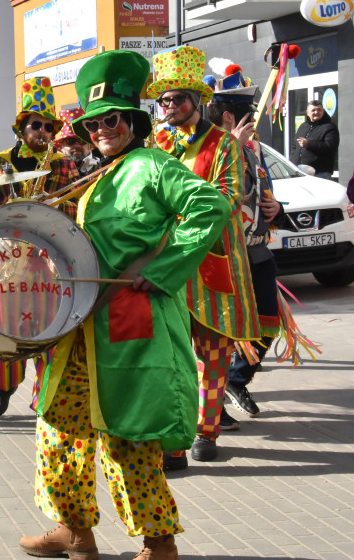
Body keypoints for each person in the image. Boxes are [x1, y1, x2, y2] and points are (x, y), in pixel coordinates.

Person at [18, 50, 230, 560]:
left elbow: (211, 206)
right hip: (81, 329)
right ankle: (74, 532)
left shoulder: (153, 165)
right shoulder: (102, 173)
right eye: (92, 123)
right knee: (61, 428)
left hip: (128, 323)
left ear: (133, 118)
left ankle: (159, 545)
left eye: (110, 119)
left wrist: (159, 271)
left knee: (127, 439)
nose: (100, 130)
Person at [150, 45, 260, 466]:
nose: (171, 106)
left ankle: (206, 431)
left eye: (178, 98)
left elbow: (230, 198)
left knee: (212, 353)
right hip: (167, 267)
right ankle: (175, 436)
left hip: (210, 264)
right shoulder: (156, 145)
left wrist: (182, 216)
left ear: (198, 102)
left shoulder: (224, 146)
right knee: (172, 356)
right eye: (165, 100)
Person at [0, 77, 79, 417]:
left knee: (48, 326)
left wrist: (47, 210)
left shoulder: (63, 164)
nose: (43, 131)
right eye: (36, 125)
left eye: (49, 127)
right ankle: (5, 386)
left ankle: (44, 392)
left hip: (45, 260)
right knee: (4, 326)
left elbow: (73, 210)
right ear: (22, 128)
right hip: (4, 260)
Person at [206, 86, 286, 427]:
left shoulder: (253, 150)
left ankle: (236, 381)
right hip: (225, 257)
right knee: (220, 334)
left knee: (268, 324)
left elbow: (262, 193)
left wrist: (277, 209)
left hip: (257, 253)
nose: (254, 120)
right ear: (230, 116)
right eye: (249, 114)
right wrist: (233, 147)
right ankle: (212, 408)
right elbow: (206, 195)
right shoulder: (212, 149)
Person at [292, 99, 339, 179]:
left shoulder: (329, 127)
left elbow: (330, 147)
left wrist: (309, 144)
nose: (316, 112)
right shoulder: (303, 126)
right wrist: (292, 161)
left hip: (320, 173)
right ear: (307, 112)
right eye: (313, 110)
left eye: (319, 110)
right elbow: (294, 146)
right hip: (299, 172)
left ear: (323, 111)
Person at [55, 106, 99, 175]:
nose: (77, 145)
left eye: (82, 140)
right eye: (70, 141)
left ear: (89, 144)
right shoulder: (53, 170)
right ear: (61, 146)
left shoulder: (103, 167)